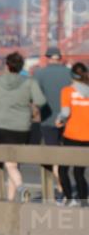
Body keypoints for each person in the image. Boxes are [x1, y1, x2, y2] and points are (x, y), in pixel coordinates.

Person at [0, 52, 46, 202]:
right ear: (21, 66)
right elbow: (41, 101)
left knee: (9, 164)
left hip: (4, 126)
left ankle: (21, 187)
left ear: (7, 65)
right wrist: (27, 101)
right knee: (14, 163)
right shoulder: (29, 82)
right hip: (23, 127)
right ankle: (11, 200)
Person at [35, 47, 72, 202]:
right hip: (69, 120)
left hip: (48, 119)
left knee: (54, 154)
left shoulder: (39, 74)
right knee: (69, 154)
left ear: (48, 57)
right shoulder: (70, 73)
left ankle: (61, 187)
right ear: (60, 58)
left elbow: (36, 98)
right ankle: (67, 186)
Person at [55, 62, 89, 205]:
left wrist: (59, 120)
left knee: (63, 168)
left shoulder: (67, 91)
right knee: (79, 171)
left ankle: (69, 198)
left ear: (72, 76)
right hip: (87, 137)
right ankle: (83, 200)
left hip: (71, 135)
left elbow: (65, 113)